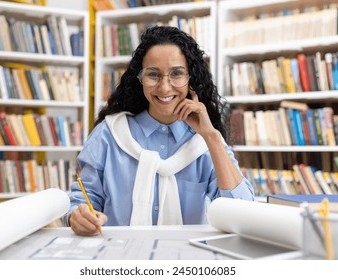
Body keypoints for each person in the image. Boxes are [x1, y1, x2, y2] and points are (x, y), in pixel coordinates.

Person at [65, 25, 255, 236]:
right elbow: (82, 202)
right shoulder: (109, 134)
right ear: (140, 79)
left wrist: (211, 136)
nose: (165, 87)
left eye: (177, 74)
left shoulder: (205, 143)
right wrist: (78, 216)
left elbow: (243, 213)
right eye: (153, 75)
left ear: (191, 79)